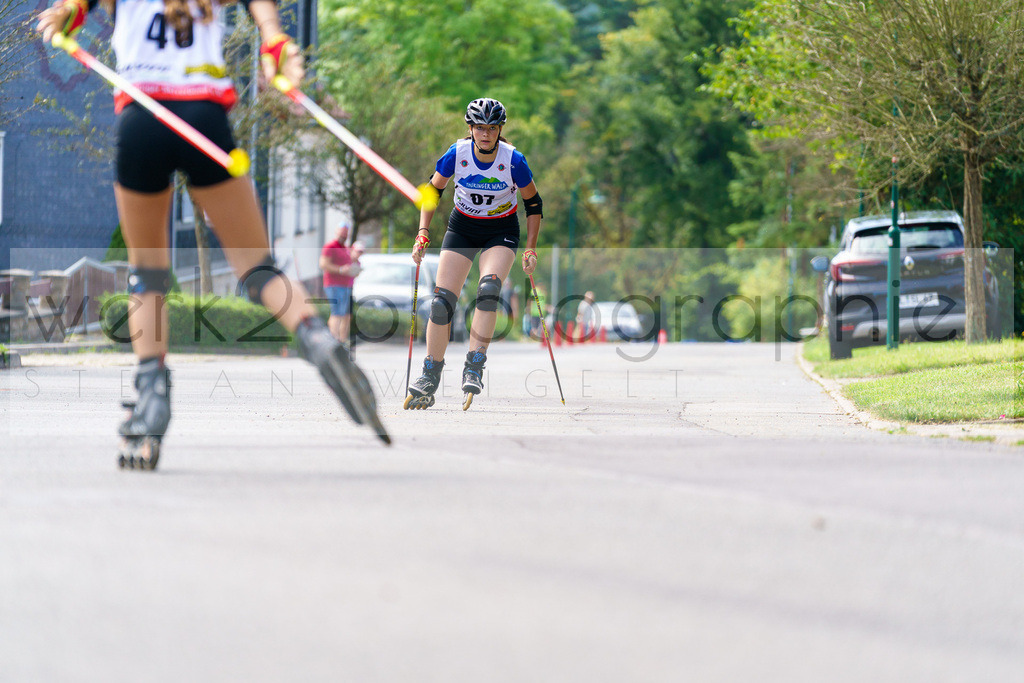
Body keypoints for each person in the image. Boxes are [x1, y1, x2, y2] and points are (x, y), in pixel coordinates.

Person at [36, 0, 388, 469]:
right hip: (206, 118)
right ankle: (317, 339)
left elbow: (74, 9)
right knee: (259, 269)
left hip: (143, 115)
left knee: (149, 275)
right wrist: (274, 40)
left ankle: (151, 394)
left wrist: (66, 15)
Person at [406, 97, 543, 409]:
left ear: (499, 131)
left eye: (492, 128)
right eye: (479, 128)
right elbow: (433, 191)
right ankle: (430, 375)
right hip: (463, 227)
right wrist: (422, 231)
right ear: (470, 129)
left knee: (488, 291)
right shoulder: (457, 153)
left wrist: (531, 248)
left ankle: (474, 366)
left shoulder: (513, 160)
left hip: (501, 230)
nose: (485, 134)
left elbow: (534, 204)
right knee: (441, 303)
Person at [319, 224, 361, 344]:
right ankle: (333, 340)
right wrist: (341, 270)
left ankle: (340, 340)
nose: (344, 235)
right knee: (336, 312)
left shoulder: (345, 248)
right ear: (337, 232)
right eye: (342, 233)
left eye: (346, 233)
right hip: (334, 284)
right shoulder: (330, 246)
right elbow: (323, 264)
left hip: (346, 285)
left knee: (343, 313)